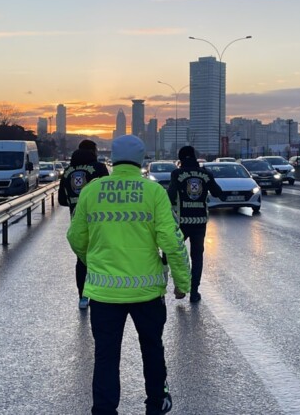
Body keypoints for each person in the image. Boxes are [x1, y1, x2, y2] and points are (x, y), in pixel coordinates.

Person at [67, 135, 191, 415]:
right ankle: (156, 403)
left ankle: (104, 409)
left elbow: (75, 237)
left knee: (106, 356)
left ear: (112, 160)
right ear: (141, 159)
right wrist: (182, 284)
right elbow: (172, 241)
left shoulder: (92, 191)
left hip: (103, 293)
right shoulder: (153, 192)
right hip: (146, 292)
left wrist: (93, 262)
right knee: (152, 349)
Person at [166, 146, 225, 303]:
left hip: (181, 222)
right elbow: (218, 192)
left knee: (173, 253)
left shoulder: (177, 174)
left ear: (180, 159)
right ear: (195, 156)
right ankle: (194, 292)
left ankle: (179, 286)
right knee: (197, 257)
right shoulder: (205, 174)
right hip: (199, 222)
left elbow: (170, 196)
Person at [58, 147, 109, 309]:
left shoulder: (67, 172)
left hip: (77, 221)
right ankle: (101, 293)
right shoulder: (99, 168)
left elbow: (61, 200)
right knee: (101, 255)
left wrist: (76, 203)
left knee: (81, 259)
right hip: (99, 220)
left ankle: (83, 297)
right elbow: (107, 193)